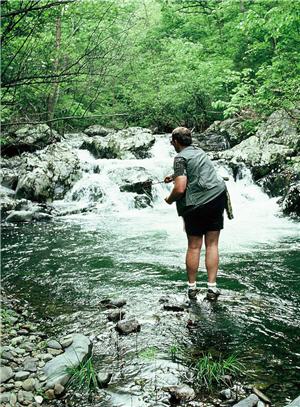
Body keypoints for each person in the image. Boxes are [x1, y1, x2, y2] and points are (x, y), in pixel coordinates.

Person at [164, 127, 229, 301]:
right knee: (212, 244)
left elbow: (180, 189)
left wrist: (169, 200)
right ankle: (212, 288)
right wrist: (173, 175)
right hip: (216, 197)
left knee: (194, 246)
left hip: (196, 204)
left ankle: (192, 288)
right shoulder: (199, 151)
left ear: (176, 141)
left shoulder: (179, 158)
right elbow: (195, 171)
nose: (172, 144)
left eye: (172, 141)